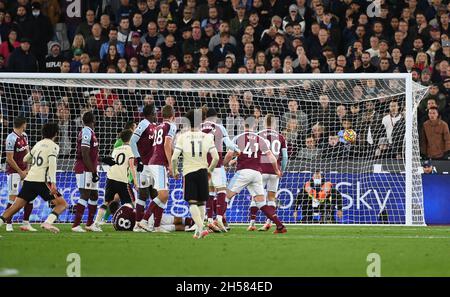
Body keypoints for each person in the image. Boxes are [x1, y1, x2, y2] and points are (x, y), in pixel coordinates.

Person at [0, 123, 68, 233]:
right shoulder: (54, 146)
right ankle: (47, 223)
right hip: (42, 181)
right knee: (62, 204)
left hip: (29, 179)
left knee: (15, 207)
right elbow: (52, 165)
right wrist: (53, 184)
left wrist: (36, 163)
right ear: (56, 134)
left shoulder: (38, 144)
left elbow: (25, 159)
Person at [223, 120, 286, 234]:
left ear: (243, 125)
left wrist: (223, 165)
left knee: (225, 197)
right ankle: (280, 225)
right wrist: (277, 170)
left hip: (243, 172)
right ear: (255, 126)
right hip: (257, 174)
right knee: (261, 203)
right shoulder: (260, 139)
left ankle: (218, 221)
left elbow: (229, 154)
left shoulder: (239, 137)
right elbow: (271, 157)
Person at [172, 109, 220, 239]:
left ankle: (201, 228)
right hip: (203, 171)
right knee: (201, 203)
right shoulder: (208, 136)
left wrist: (175, 170)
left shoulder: (182, 137)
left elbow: (174, 158)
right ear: (201, 122)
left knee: (192, 203)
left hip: (189, 172)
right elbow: (216, 158)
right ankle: (198, 231)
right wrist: (209, 171)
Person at [201, 107, 238, 232]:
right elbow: (229, 144)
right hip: (216, 163)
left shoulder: (199, 127)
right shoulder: (219, 127)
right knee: (221, 190)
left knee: (210, 191)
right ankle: (220, 219)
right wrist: (238, 150)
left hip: (202, 164)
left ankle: (210, 220)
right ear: (216, 117)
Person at [141, 105, 177, 233]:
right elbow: (167, 144)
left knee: (163, 196)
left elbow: (162, 145)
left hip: (152, 162)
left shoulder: (158, 127)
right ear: (173, 116)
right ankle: (144, 220)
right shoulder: (171, 126)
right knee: (163, 194)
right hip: (159, 163)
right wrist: (171, 164)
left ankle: (157, 226)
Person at [249, 114, 288, 232]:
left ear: (264, 123)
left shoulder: (258, 135)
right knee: (271, 197)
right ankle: (269, 222)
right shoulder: (281, 137)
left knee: (256, 197)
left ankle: (252, 223)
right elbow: (285, 157)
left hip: (261, 170)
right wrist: (282, 170)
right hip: (275, 169)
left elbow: (253, 153)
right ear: (275, 124)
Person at [94, 129, 138, 229]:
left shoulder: (116, 149)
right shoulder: (130, 150)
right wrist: (135, 181)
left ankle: (96, 223)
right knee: (132, 203)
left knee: (106, 202)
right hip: (122, 180)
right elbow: (131, 166)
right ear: (130, 139)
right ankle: (136, 224)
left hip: (111, 178)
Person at [4, 116, 35, 232]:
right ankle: (8, 223)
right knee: (13, 198)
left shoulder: (25, 136)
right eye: (25, 124)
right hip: (14, 173)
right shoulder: (10, 138)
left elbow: (28, 153)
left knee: (30, 197)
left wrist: (28, 169)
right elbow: (9, 159)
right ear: (23, 124)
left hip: (25, 172)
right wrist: (20, 172)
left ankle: (26, 223)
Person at [130, 104, 158, 232]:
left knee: (154, 194)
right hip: (144, 165)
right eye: (155, 111)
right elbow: (132, 141)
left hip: (152, 165)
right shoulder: (144, 124)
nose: (157, 113)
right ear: (151, 113)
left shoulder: (153, 126)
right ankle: (137, 224)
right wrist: (138, 159)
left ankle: (152, 223)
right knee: (143, 194)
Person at [72, 112, 101, 232]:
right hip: (84, 169)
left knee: (94, 195)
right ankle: (76, 225)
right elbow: (84, 153)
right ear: (93, 120)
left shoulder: (91, 133)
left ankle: (89, 224)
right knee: (85, 194)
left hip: (91, 168)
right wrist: (93, 172)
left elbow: (92, 154)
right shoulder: (86, 132)